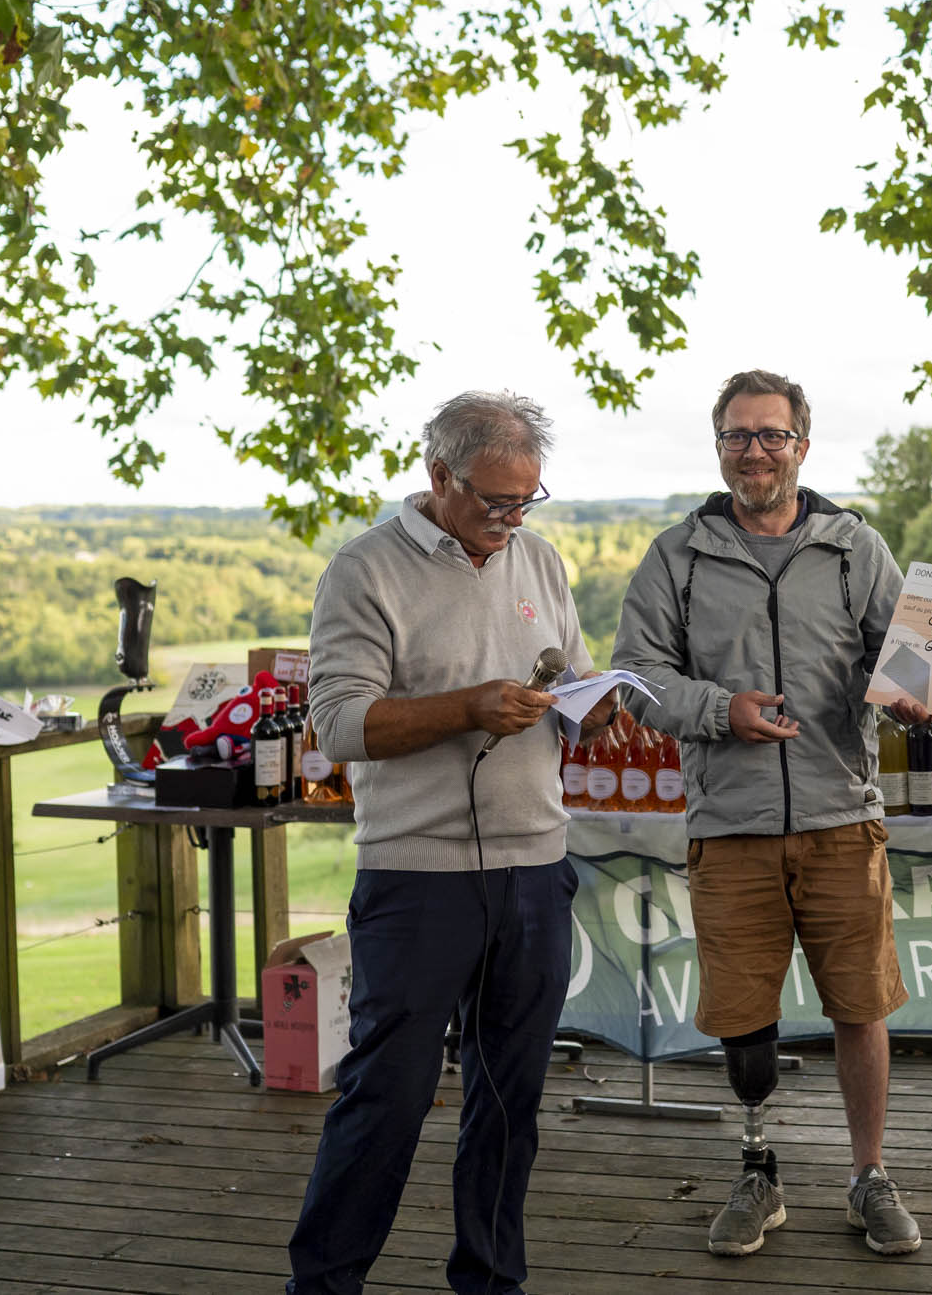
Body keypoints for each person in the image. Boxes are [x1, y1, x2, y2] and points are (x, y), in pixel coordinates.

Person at [287, 390, 615, 1295]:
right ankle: (324, 1283)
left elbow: (574, 676)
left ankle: (491, 1280)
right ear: (440, 476)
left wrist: (592, 708)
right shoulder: (364, 569)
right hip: (416, 875)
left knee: (511, 1102)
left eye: (527, 499)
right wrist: (469, 706)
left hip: (536, 868)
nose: (514, 520)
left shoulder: (539, 559)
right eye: (496, 501)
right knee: (386, 1098)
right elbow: (340, 724)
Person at [612, 368, 919, 1259]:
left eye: (772, 435)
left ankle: (869, 1175)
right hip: (730, 827)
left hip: (841, 819)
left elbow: (909, 657)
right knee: (744, 1022)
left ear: (802, 446)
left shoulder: (856, 549)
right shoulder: (676, 556)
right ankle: (758, 1170)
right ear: (719, 448)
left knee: (861, 1005)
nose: (756, 451)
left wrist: (914, 695)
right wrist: (721, 709)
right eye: (738, 435)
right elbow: (637, 680)